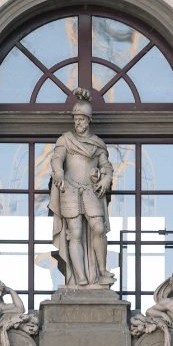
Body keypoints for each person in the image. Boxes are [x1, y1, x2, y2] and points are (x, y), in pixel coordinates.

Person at [50, 88, 115, 287]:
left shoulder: (97, 143)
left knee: (98, 227)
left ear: (89, 120)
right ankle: (80, 277)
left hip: (90, 189)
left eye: (82, 119)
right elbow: (56, 160)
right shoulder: (65, 140)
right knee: (75, 233)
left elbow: (106, 166)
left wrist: (106, 178)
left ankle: (103, 271)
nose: (78, 123)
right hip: (68, 189)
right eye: (76, 119)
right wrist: (59, 173)